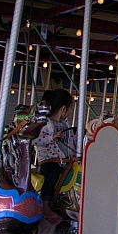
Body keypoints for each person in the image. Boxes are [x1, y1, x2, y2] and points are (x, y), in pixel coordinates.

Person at [32, 89, 76, 223]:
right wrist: (51, 137)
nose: (69, 112)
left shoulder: (65, 124)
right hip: (49, 161)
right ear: (63, 109)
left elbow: (70, 142)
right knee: (52, 174)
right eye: (69, 108)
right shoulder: (44, 124)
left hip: (67, 161)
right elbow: (33, 139)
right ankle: (45, 206)